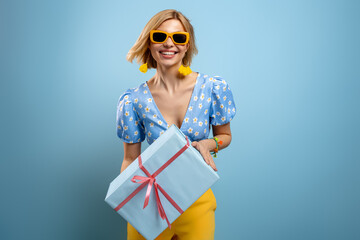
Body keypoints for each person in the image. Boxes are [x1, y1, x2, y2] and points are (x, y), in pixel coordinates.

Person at [116, 9, 236, 240]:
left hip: (196, 200)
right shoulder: (133, 100)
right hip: (149, 204)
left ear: (187, 45)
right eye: (160, 37)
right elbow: (130, 159)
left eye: (179, 38)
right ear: (149, 42)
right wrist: (128, 201)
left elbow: (225, 136)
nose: (169, 44)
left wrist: (207, 144)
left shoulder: (213, 88)